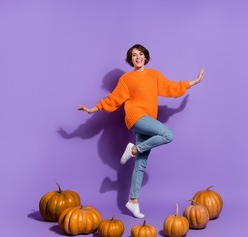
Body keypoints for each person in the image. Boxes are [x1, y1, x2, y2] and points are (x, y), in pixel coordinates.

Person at [78, 44, 204, 218]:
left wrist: (193, 82)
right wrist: (94, 109)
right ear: (131, 59)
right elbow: (114, 99)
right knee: (168, 135)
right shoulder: (127, 79)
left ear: (145, 57)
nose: (138, 57)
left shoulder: (154, 75)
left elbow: (171, 88)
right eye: (134, 55)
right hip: (135, 116)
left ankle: (133, 201)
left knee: (141, 163)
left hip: (149, 120)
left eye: (140, 54)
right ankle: (134, 149)